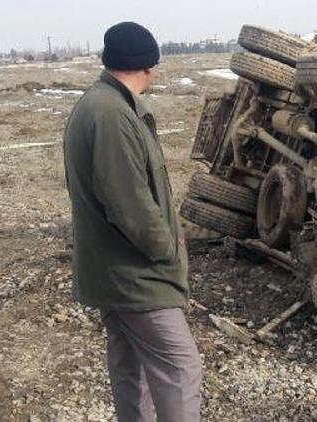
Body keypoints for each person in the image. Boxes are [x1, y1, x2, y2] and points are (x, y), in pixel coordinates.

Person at [63, 22, 202, 421]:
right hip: (135, 276)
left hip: (113, 271)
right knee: (180, 368)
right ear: (147, 66)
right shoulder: (112, 114)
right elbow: (129, 204)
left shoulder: (101, 104)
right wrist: (167, 248)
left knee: (133, 370)